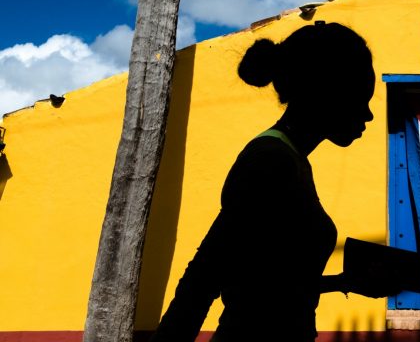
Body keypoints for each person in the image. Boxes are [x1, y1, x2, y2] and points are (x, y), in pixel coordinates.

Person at [151, 22, 394, 342]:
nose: (368, 115)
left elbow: (269, 284)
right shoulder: (270, 160)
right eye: (360, 98)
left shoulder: (291, 159)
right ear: (325, 92)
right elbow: (205, 276)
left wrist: (343, 282)